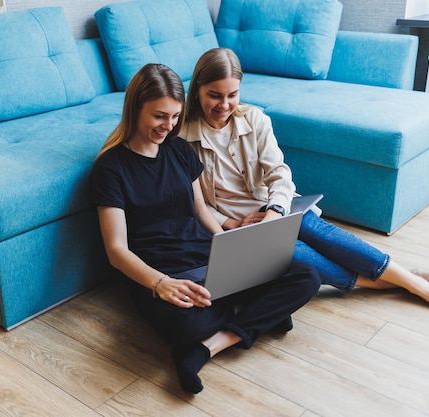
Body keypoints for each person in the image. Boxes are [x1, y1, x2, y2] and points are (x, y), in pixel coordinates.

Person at [180, 48, 429, 321]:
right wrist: (230, 223)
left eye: (232, 95)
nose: (225, 104)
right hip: (240, 226)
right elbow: (193, 201)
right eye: (214, 95)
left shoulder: (255, 118)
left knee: (324, 234)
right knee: (296, 254)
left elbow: (280, 174)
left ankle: (418, 286)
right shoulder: (182, 137)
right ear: (198, 91)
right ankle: (405, 282)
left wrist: (273, 214)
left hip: (276, 208)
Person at [91, 63, 321, 394]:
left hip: (208, 258)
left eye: (174, 117)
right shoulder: (110, 168)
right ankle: (256, 315)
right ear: (135, 108)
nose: (168, 126)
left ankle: (205, 348)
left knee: (305, 277)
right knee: (185, 324)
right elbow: (116, 250)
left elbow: (200, 209)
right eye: (159, 116)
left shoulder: (179, 149)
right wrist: (162, 284)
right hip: (163, 273)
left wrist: (231, 247)